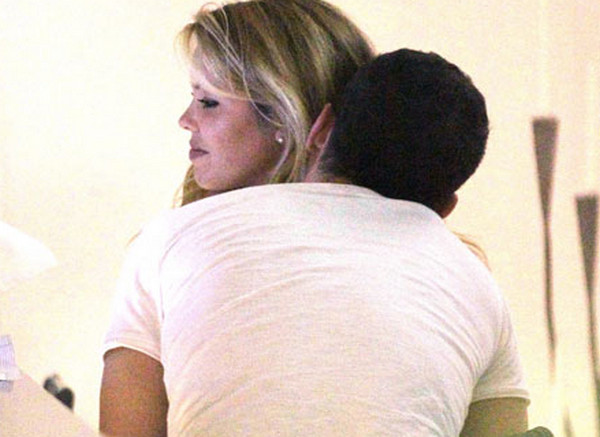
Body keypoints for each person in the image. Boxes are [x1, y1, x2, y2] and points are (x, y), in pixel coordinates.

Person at [100, 46, 530, 436]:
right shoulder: (478, 286)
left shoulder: (169, 238)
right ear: (446, 207)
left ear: (320, 130)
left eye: (209, 101)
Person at [100, 0, 374, 436]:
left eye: (208, 102)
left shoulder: (170, 245)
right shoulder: (442, 258)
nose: (185, 120)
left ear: (287, 116)